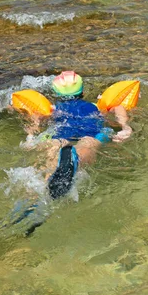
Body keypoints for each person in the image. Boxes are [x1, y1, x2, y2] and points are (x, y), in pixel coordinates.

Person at [22, 71, 133, 199]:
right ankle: (75, 163)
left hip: (60, 134)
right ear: (83, 93)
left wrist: (30, 136)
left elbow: (35, 119)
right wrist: (125, 126)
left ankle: (44, 183)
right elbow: (118, 107)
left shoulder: (52, 109)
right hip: (91, 132)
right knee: (89, 145)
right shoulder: (96, 106)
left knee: (53, 147)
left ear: (55, 94)